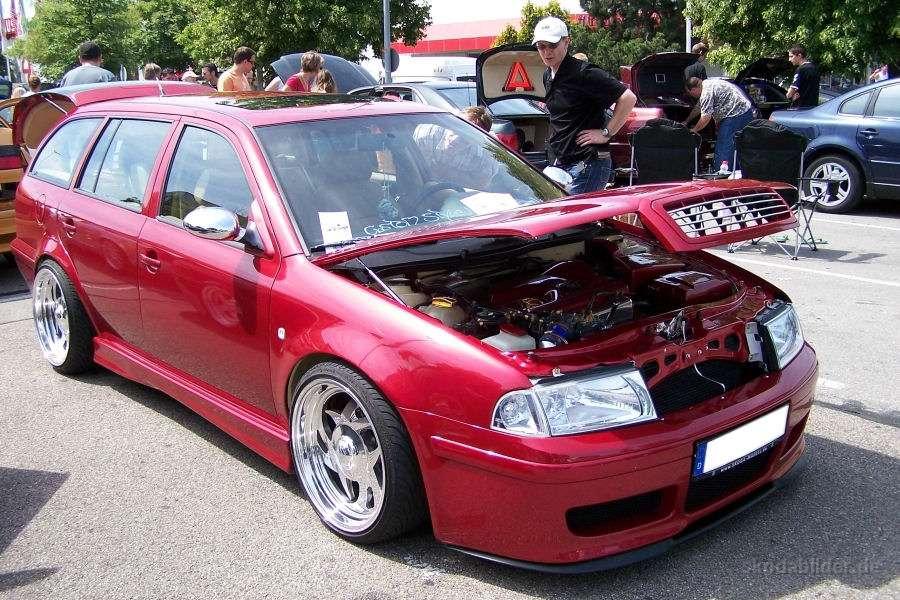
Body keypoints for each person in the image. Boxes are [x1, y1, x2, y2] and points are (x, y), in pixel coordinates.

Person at [533, 16, 637, 194]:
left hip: (589, 164)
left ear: (566, 42)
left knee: (573, 213)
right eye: (541, 46)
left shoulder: (584, 73)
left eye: (552, 45)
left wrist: (606, 133)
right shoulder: (547, 75)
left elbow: (628, 98)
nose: (547, 51)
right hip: (562, 164)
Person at [685, 76, 753, 171]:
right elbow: (698, 108)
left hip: (736, 114)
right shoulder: (707, 83)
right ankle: (738, 172)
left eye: (689, 93)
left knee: (724, 146)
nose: (690, 95)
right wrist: (687, 121)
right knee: (738, 145)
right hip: (745, 111)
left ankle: (722, 174)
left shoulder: (706, 93)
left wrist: (694, 130)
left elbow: (705, 118)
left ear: (693, 89)